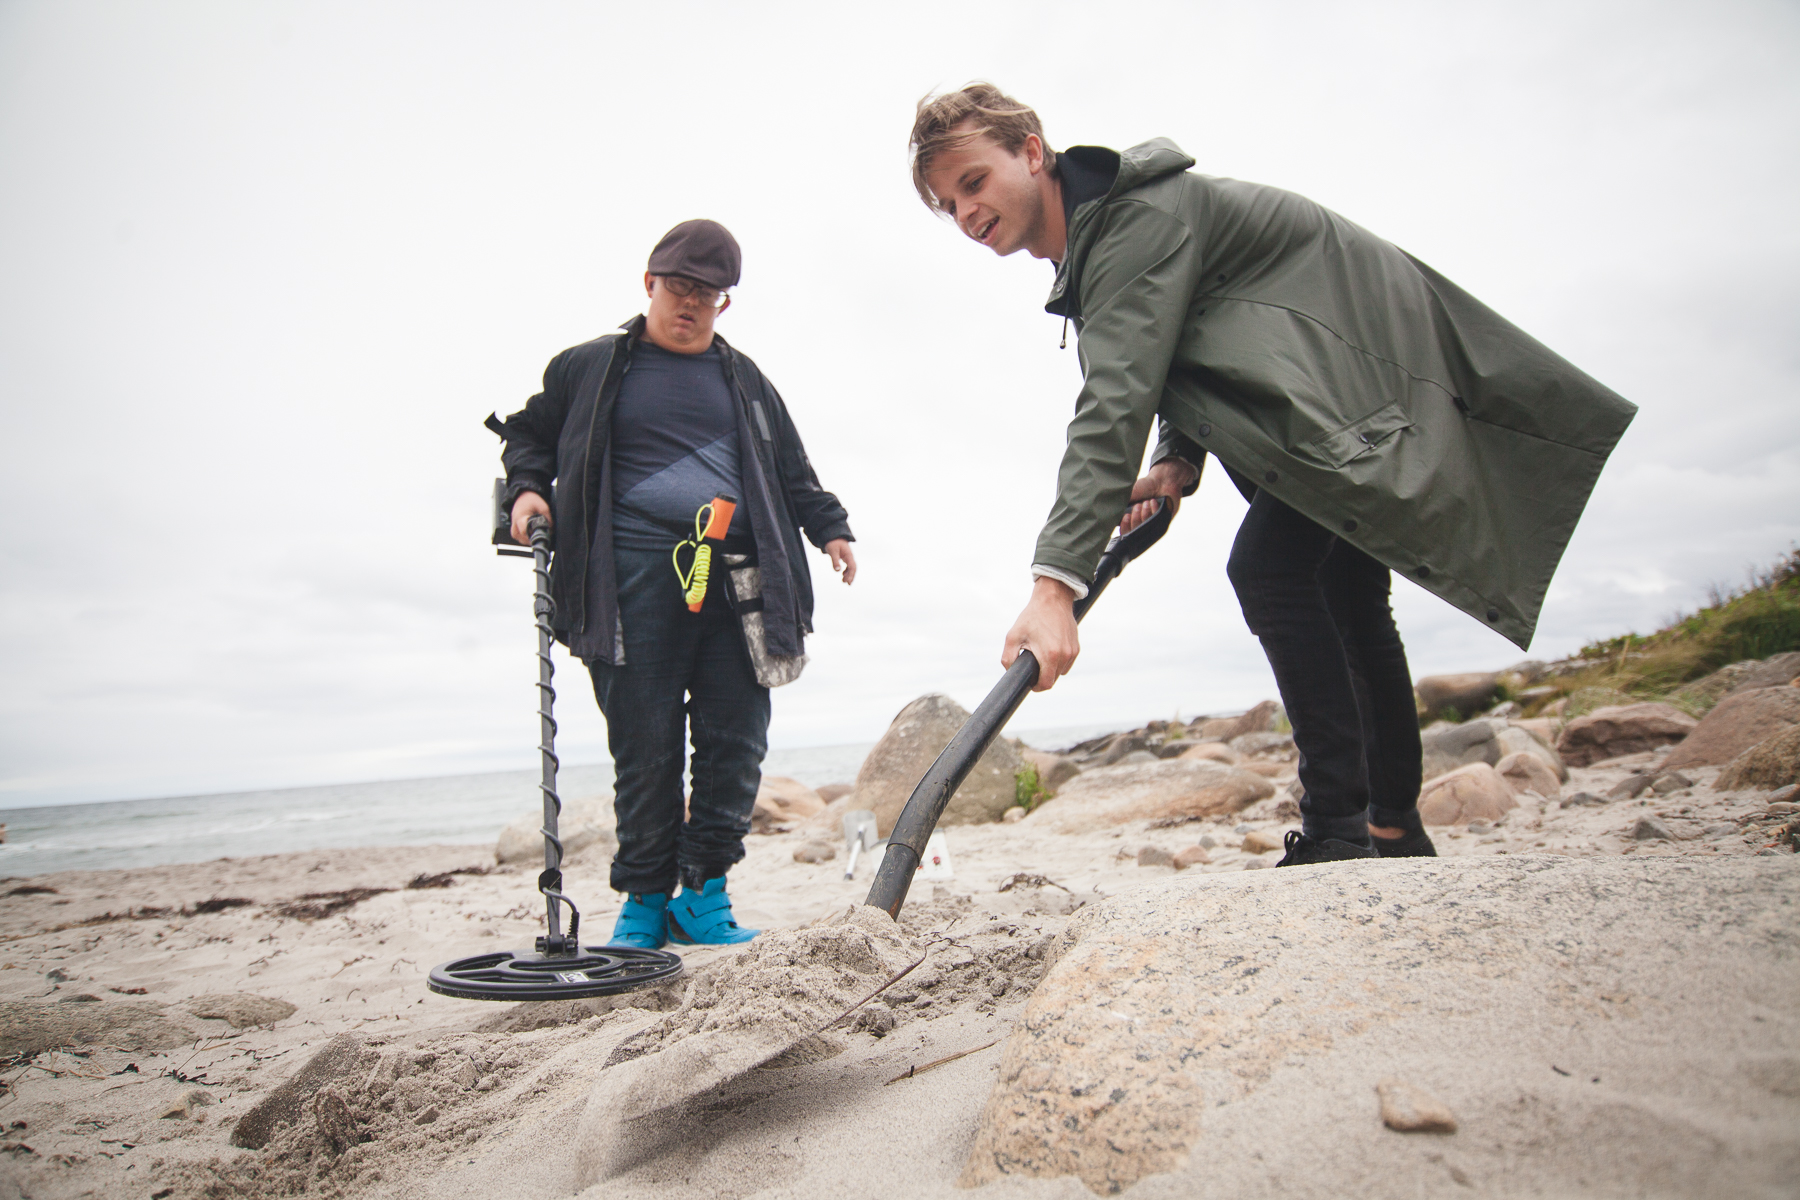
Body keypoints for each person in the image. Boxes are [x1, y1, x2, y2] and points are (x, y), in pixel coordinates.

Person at [908, 85, 1634, 866]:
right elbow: (1185, 352)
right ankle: (1393, 829)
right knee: (1351, 600)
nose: (967, 213)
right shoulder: (1105, 237)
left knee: (1270, 570)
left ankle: (1337, 831)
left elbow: (1114, 400)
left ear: (1030, 150)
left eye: (973, 181)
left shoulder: (1130, 223)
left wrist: (1055, 586)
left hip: (1350, 390)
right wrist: (1175, 462)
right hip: (1322, 402)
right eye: (950, 205)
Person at [488, 219, 856, 945]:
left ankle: (704, 895)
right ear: (649, 283)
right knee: (645, 748)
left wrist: (831, 528)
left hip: (739, 585)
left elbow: (792, 471)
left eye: (708, 294)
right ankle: (645, 903)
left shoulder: (746, 379)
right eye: (679, 287)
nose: (690, 304)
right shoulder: (586, 367)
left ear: (725, 303)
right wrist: (526, 492)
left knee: (735, 744)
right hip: (625, 586)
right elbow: (529, 437)